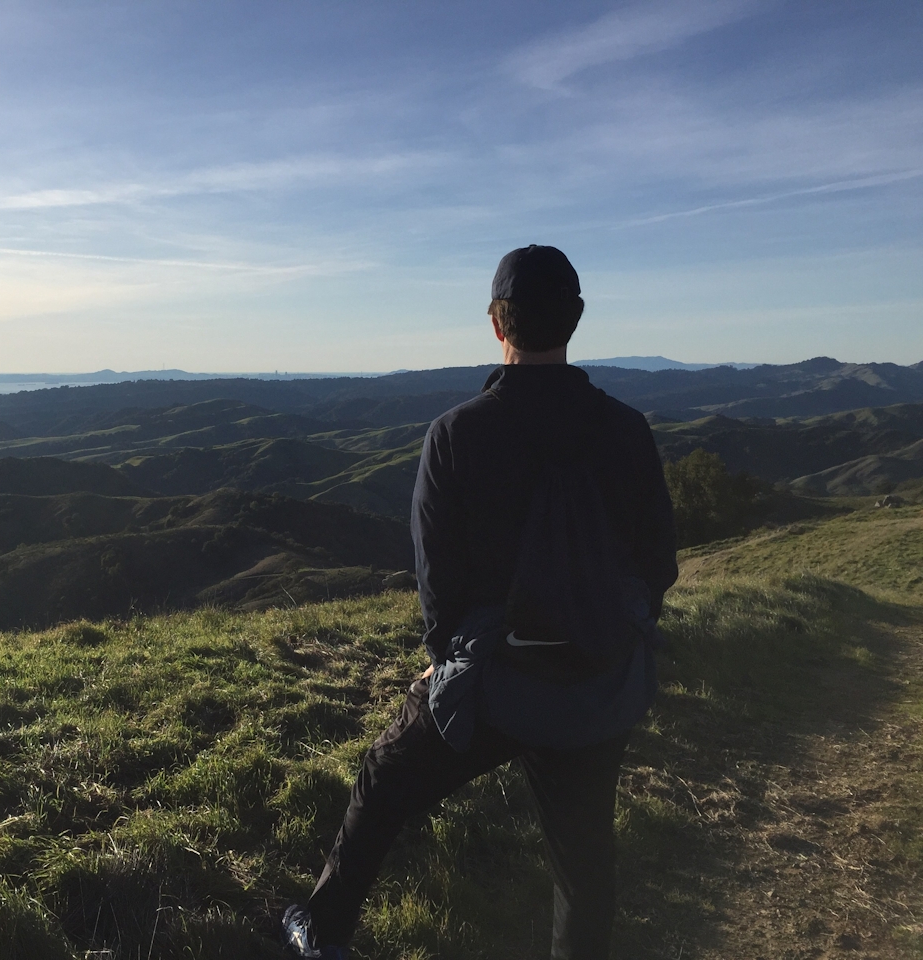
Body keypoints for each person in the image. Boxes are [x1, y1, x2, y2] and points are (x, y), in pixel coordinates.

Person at [281, 244, 679, 959]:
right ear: (576, 320)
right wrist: (612, 636)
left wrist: (445, 664)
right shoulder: (626, 430)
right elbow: (658, 562)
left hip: (495, 681)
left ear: (498, 324)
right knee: (585, 873)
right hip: (597, 683)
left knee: (383, 778)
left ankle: (321, 930)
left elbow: (440, 584)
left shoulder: (458, 434)